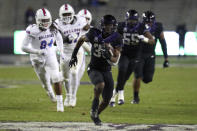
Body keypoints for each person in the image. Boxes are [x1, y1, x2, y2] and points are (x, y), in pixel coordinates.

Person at [69, 15, 123, 125]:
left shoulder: (117, 38)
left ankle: (95, 114)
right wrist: (74, 55)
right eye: (106, 25)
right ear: (102, 26)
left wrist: (108, 56)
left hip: (107, 69)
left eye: (110, 26)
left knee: (107, 99)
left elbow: (115, 59)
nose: (108, 28)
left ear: (114, 26)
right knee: (100, 85)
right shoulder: (94, 32)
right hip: (94, 68)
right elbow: (81, 39)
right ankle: (94, 107)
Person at [109, 9, 155, 107]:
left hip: (135, 56)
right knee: (122, 69)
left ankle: (113, 95)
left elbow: (152, 40)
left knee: (125, 78)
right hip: (124, 53)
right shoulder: (121, 26)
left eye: (134, 20)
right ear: (126, 19)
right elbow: (113, 37)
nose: (132, 22)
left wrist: (144, 39)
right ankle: (120, 95)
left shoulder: (141, 27)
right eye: (130, 20)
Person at [22, 8, 64, 112]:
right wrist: (37, 52)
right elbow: (23, 47)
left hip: (50, 55)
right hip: (37, 59)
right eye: (43, 20)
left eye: (47, 20)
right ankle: (49, 92)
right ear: (37, 20)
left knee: (56, 77)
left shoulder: (53, 27)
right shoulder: (32, 30)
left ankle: (60, 103)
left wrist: (60, 49)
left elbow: (59, 38)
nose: (46, 23)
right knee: (45, 83)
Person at [55, 4, 90, 107]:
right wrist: (66, 38)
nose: (66, 16)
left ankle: (73, 96)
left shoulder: (80, 20)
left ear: (73, 14)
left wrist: (82, 32)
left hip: (77, 51)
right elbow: (55, 41)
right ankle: (68, 95)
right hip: (64, 53)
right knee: (65, 78)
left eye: (68, 14)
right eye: (64, 14)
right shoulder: (57, 24)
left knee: (74, 72)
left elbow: (88, 29)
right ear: (60, 15)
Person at [131, 11, 169, 104]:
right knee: (138, 76)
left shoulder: (158, 27)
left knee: (148, 79)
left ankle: (141, 75)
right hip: (138, 54)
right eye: (146, 21)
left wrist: (166, 58)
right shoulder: (138, 27)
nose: (148, 23)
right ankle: (136, 97)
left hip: (150, 54)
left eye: (150, 21)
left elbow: (162, 42)